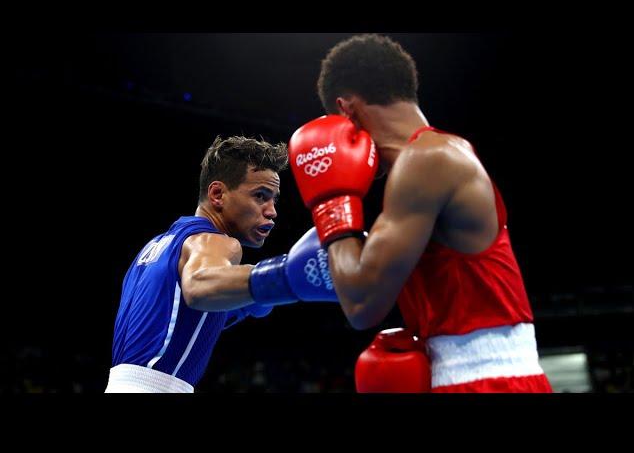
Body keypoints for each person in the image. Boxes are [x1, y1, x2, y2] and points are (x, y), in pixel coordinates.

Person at [288, 33, 552, 393]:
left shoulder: (427, 161)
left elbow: (361, 303)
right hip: (475, 378)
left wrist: (331, 201)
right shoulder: (435, 157)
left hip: (488, 383)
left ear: (346, 110)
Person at [105, 135, 337, 393]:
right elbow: (198, 288)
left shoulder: (157, 247)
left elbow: (180, 319)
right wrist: (284, 277)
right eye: (260, 196)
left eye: (274, 199)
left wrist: (252, 302)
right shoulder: (216, 242)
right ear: (217, 194)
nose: (272, 211)